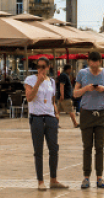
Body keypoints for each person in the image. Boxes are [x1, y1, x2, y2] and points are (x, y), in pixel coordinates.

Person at [70, 53, 104, 189]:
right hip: (86, 113)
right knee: (87, 147)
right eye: (92, 62)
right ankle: (86, 177)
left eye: (96, 62)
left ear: (100, 62)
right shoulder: (82, 73)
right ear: (88, 62)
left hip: (102, 113)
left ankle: (100, 177)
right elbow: (75, 93)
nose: (94, 65)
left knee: (100, 147)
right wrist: (86, 88)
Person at [23, 59, 68, 190]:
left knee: (54, 149)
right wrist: (38, 82)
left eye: (43, 66)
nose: (40, 69)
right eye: (38, 67)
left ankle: (53, 179)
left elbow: (52, 100)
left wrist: (56, 113)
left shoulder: (52, 82)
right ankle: (40, 181)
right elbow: (29, 98)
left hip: (50, 118)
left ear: (49, 67)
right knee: (38, 151)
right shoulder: (30, 80)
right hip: (36, 118)